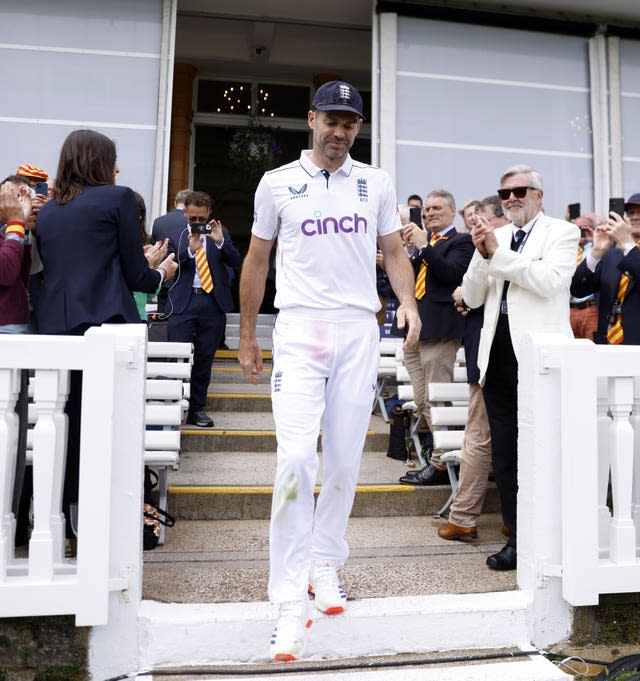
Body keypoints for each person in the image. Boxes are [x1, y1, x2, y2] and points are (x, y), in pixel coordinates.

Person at [237, 80, 420, 662]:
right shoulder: (277, 182)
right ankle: (288, 597)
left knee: (343, 459)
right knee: (295, 458)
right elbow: (256, 259)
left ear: (357, 128)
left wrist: (407, 301)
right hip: (299, 329)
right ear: (311, 119)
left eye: (350, 123)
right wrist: (246, 336)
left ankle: (325, 562)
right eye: (331, 120)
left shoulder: (376, 182)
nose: (339, 132)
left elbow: (392, 251)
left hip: (357, 330)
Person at [34, 129, 178, 547]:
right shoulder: (117, 198)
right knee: (113, 428)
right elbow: (136, 274)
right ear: (101, 161)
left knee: (63, 427)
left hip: (55, 331)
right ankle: (111, 521)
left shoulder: (47, 212)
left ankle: (60, 517)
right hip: (108, 326)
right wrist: (160, 275)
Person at [461, 164, 579, 571]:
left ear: (539, 195)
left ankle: (554, 536)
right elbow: (474, 297)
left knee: (544, 449)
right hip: (497, 359)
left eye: (520, 191)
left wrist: (497, 253)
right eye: (505, 192)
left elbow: (549, 282)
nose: (511, 198)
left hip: (541, 359)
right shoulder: (498, 238)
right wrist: (481, 254)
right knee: (506, 457)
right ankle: (517, 539)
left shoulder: (562, 233)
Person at [438, 195, 509, 540]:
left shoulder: (507, 245)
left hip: (492, 352)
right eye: (471, 223)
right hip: (486, 348)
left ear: (498, 218)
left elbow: (471, 294)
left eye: (478, 220)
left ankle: (464, 517)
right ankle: (500, 517)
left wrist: (462, 297)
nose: (474, 228)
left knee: (479, 438)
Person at [398, 189, 474, 486]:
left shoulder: (462, 241)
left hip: (441, 330)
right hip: (416, 331)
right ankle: (440, 456)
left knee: (437, 399)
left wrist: (423, 246)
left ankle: (441, 464)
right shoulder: (422, 245)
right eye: (426, 210)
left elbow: (451, 274)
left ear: (452, 212)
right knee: (422, 399)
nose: (429, 214)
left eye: (436, 209)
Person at [166, 190, 241, 427]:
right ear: (185, 213)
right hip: (183, 303)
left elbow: (236, 262)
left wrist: (219, 242)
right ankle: (173, 405)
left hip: (211, 302)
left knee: (205, 358)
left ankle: (197, 409)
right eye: (192, 219)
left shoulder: (221, 233)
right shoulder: (176, 234)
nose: (197, 223)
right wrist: (189, 250)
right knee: (177, 357)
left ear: (209, 213)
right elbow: (168, 262)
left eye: (201, 219)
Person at [570, 194, 640, 345]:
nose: (634, 217)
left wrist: (628, 244)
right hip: (607, 342)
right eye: (631, 213)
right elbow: (578, 289)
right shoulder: (613, 253)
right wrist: (596, 252)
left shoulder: (625, 249)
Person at [152, 189, 189, 314]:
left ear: (175, 202)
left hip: (163, 277)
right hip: (184, 280)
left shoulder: (158, 222)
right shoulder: (190, 222)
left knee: (162, 321)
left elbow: (154, 249)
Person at [569, 213, 598, 340]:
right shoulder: (568, 250)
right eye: (578, 229)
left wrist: (594, 241)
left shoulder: (596, 249)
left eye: (584, 228)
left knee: (591, 350)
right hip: (569, 309)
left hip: (590, 309)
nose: (581, 232)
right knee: (571, 350)